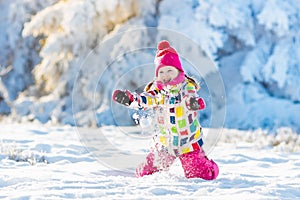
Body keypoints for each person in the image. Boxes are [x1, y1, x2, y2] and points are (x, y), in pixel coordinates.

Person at [112, 40, 219, 180]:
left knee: (200, 175)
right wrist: (131, 99)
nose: (165, 74)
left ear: (178, 70)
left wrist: (193, 103)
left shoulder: (186, 86)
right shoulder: (158, 90)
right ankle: (145, 171)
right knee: (146, 174)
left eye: (170, 70)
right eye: (161, 71)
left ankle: (210, 167)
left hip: (188, 142)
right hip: (165, 142)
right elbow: (147, 99)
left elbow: (189, 96)